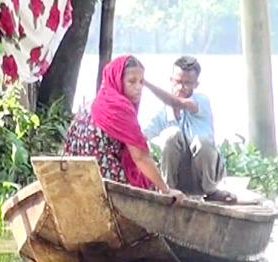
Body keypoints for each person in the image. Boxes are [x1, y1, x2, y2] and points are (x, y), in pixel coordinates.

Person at [64, 55, 183, 202]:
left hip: (75, 176)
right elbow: (140, 157)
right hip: (103, 181)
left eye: (141, 82)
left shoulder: (91, 104)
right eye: (132, 81)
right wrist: (165, 190)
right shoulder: (119, 108)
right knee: (149, 185)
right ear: (117, 80)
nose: (138, 87)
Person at [142, 55, 236, 203]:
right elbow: (142, 136)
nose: (181, 87)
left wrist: (146, 83)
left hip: (203, 177)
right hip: (179, 178)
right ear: (171, 80)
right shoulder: (161, 112)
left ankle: (211, 191)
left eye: (187, 83)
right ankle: (168, 189)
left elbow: (178, 103)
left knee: (201, 141)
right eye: (178, 82)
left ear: (196, 84)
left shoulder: (201, 101)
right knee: (171, 135)